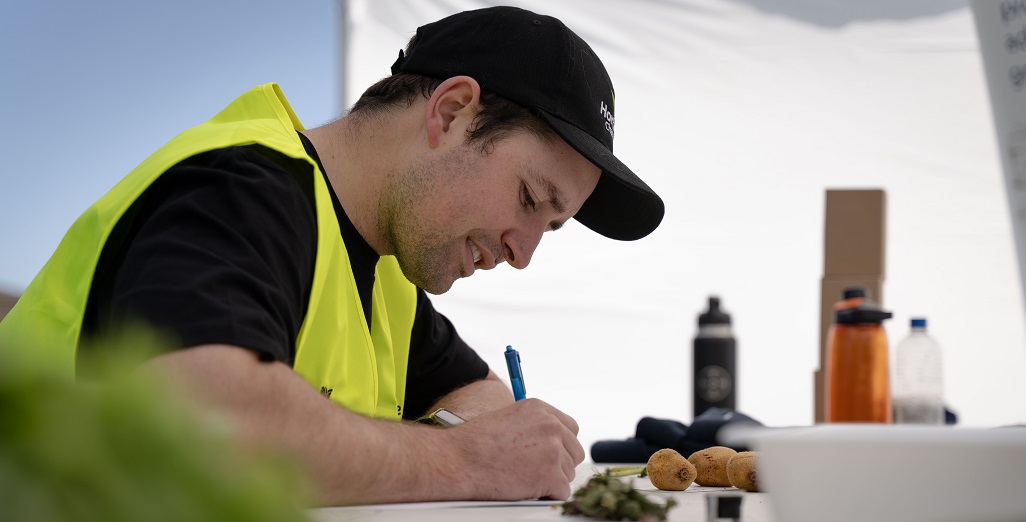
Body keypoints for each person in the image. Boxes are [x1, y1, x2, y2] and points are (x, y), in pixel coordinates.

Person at [0, 6, 664, 505]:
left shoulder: (388, 279)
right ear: (453, 112)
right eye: (529, 198)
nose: (523, 255)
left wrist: (480, 443)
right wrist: (463, 460)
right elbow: (205, 417)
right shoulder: (240, 189)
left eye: (551, 227)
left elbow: (479, 397)